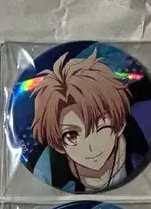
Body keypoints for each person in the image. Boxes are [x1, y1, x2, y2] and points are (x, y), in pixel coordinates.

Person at [30, 51, 140, 192]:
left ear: (119, 124)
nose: (90, 148)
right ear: (58, 145)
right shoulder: (46, 171)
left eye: (101, 128)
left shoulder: (142, 146)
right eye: (71, 135)